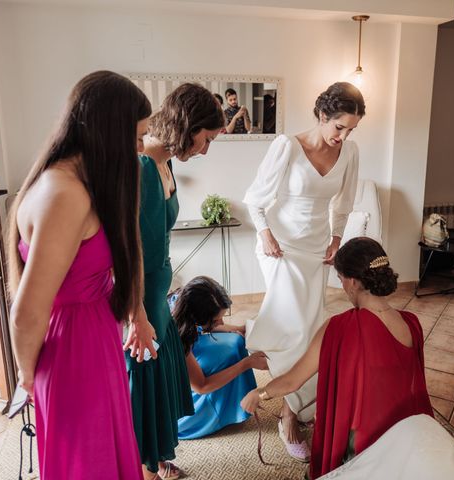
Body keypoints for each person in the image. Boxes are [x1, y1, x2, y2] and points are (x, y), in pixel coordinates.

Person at [7, 71, 154, 480]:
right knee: (89, 463)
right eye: (136, 135)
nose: (140, 147)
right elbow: (26, 313)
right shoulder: (64, 195)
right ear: (109, 130)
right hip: (74, 351)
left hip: (92, 337)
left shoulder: (75, 180)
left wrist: (135, 312)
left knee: (102, 454)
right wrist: (26, 377)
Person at [241, 237, 434, 479]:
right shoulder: (412, 323)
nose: (342, 285)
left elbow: (293, 381)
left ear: (352, 281)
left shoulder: (340, 327)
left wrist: (259, 394)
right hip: (405, 432)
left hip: (364, 439)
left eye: (341, 279)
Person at [243, 82, 364, 461]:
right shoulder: (287, 146)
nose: (343, 136)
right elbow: (255, 200)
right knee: (292, 329)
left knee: (312, 328)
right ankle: (291, 415)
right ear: (323, 115)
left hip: (317, 251)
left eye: (351, 130)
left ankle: (292, 409)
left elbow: (343, 201)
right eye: (339, 127)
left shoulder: (350, 152)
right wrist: (264, 235)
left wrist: (336, 237)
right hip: (280, 247)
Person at [129, 83, 225, 480]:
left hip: (158, 293)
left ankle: (154, 460)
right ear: (188, 127)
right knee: (142, 390)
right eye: (205, 139)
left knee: (160, 393)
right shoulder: (139, 166)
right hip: (141, 297)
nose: (205, 150)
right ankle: (142, 469)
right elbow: (128, 249)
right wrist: (136, 314)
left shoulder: (166, 163)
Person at [167, 276, 268, 439]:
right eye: (215, 320)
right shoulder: (175, 337)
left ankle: (231, 405)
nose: (221, 322)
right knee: (225, 358)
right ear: (196, 317)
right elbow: (202, 386)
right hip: (178, 409)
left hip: (189, 351)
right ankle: (212, 412)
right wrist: (246, 364)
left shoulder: (183, 301)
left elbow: (203, 327)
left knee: (235, 340)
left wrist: (237, 328)